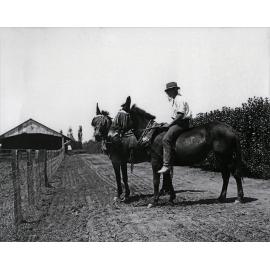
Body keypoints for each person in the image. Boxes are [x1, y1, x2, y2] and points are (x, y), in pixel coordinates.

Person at [158, 82, 190, 174]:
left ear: (175, 90)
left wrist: (169, 124)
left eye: (169, 91)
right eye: (167, 91)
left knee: (166, 139)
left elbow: (180, 115)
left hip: (181, 124)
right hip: (179, 123)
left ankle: (166, 164)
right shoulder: (175, 99)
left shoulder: (179, 99)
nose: (167, 93)